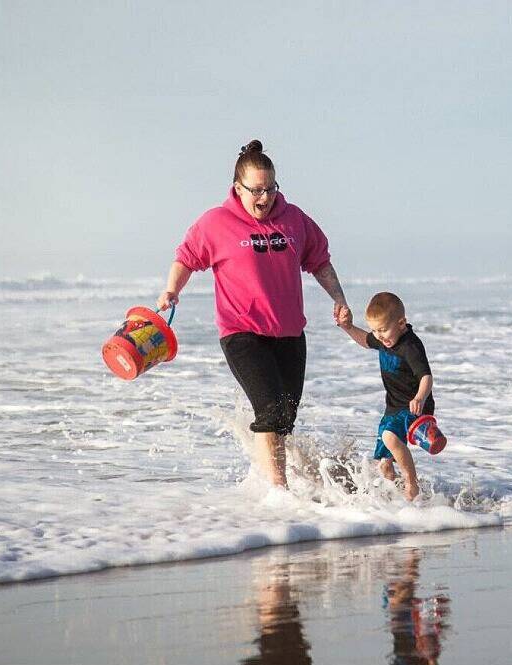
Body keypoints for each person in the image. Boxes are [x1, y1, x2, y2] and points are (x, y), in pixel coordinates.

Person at [157, 139, 350, 488]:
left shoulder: (295, 220)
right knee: (272, 411)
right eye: (257, 190)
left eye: (271, 188)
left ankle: (282, 481)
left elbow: (319, 260)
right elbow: (186, 258)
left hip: (290, 334)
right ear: (237, 188)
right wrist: (172, 289)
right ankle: (279, 493)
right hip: (242, 333)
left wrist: (338, 297)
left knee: (286, 417)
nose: (265, 197)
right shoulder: (215, 223)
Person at [337, 292, 436, 501]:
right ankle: (395, 499)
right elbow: (365, 340)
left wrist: (419, 397)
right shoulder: (384, 338)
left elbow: (426, 376)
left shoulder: (410, 346)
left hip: (415, 407)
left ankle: (412, 485)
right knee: (383, 462)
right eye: (375, 330)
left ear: (401, 323)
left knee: (390, 438)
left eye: (382, 330)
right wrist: (347, 327)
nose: (379, 336)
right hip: (392, 408)